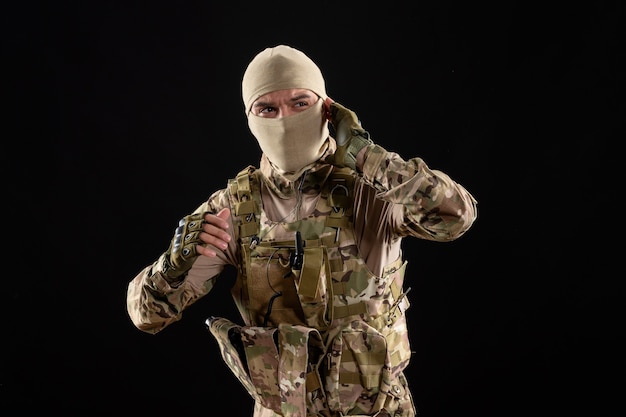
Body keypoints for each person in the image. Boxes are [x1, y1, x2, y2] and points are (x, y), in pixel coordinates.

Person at [127, 44, 478, 417]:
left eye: (299, 103)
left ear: (328, 109)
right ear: (250, 118)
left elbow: (456, 217)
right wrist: (172, 266)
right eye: (267, 108)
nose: (284, 119)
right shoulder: (233, 209)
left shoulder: (372, 187)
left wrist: (365, 154)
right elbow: (146, 315)